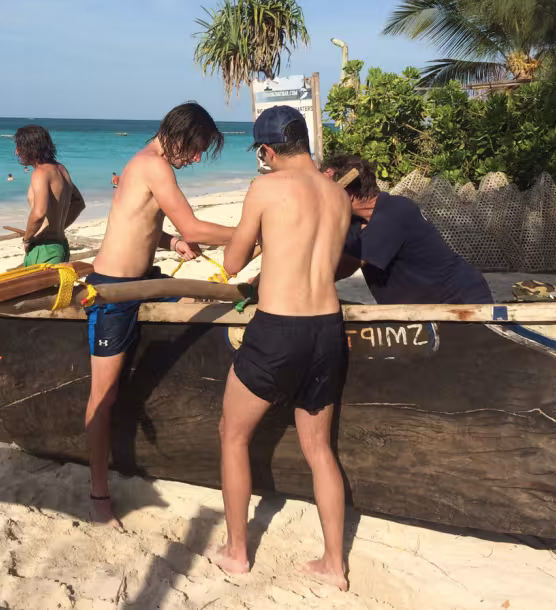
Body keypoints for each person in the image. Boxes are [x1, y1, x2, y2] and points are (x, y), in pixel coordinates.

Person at [210, 106, 351, 589]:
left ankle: (236, 552)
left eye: (261, 155)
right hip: (326, 328)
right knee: (319, 448)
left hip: (278, 330)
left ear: (267, 151)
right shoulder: (339, 195)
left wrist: (245, 243)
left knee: (232, 434)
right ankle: (334, 563)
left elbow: (233, 262)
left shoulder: (265, 188)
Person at [84, 101, 237, 526]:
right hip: (113, 291)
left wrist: (171, 243)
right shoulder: (152, 164)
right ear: (179, 134)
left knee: (202, 308)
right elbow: (195, 227)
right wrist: (254, 232)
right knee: (103, 396)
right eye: (196, 148)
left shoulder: (148, 163)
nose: (197, 158)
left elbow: (142, 219)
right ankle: (98, 493)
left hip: (146, 280)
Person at [323, 155, 493, 304]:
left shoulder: (393, 212)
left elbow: (343, 267)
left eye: (323, 189)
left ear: (348, 193)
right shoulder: (355, 221)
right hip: (420, 310)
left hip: (459, 302)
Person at [15, 124, 86, 266]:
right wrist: (58, 228)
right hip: (60, 245)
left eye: (19, 147)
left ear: (30, 147)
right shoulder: (61, 170)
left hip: (44, 248)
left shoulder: (40, 173)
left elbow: (39, 213)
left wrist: (27, 239)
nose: (16, 152)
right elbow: (78, 203)